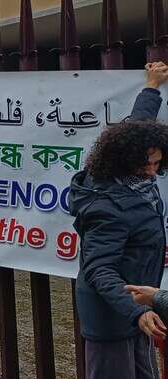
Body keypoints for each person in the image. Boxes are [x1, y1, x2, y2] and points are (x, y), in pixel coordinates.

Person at [70, 61, 168, 379]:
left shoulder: (131, 173)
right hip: (113, 317)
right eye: (149, 165)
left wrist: (152, 87)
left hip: (137, 309)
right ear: (128, 161)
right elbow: (99, 268)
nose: (155, 170)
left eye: (158, 162)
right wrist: (137, 311)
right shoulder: (107, 206)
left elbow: (140, 125)